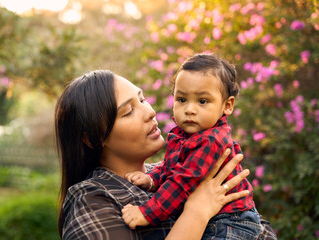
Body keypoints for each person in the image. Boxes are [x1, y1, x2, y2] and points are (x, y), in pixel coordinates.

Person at [55, 69, 277, 239]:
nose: (150, 112)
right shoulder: (91, 198)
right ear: (91, 138)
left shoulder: (178, 169)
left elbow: (258, 229)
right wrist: (198, 211)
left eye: (142, 100)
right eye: (129, 111)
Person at [122, 53, 263, 239]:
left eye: (202, 101)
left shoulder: (211, 140)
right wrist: (151, 180)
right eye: (181, 100)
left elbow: (181, 182)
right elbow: (170, 168)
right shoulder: (183, 135)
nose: (189, 109)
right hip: (213, 218)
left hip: (231, 222)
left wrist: (147, 213)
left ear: (227, 105)